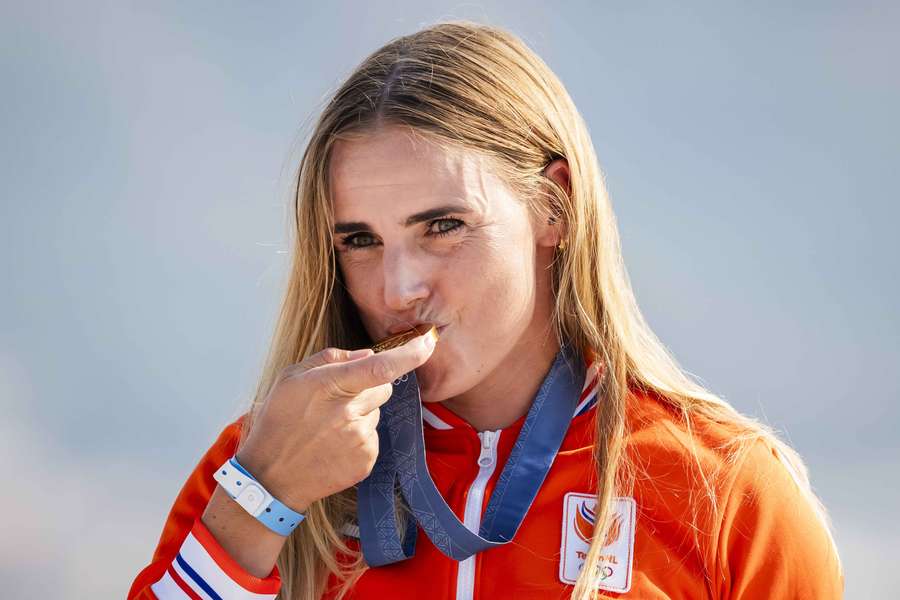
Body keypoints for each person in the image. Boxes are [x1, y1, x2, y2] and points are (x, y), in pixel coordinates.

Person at [127, 21, 843, 600]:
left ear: (554, 207)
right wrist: (265, 498)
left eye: (442, 226)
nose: (398, 288)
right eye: (359, 240)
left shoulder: (726, 491)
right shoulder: (264, 462)